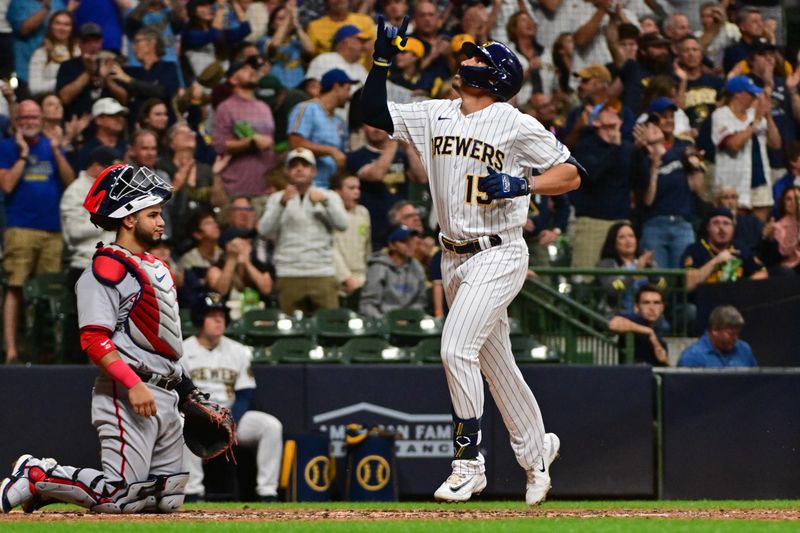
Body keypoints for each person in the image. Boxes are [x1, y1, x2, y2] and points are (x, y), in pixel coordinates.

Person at [360, 17, 583, 505]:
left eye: (479, 57)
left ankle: (468, 462)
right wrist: (381, 60)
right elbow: (370, 110)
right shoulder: (436, 112)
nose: (467, 60)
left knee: (454, 348)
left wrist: (523, 184)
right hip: (451, 256)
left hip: (498, 252)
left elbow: (570, 174)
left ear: (497, 77)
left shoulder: (515, 121)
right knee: (497, 365)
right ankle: (536, 453)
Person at [0, 163, 212, 513]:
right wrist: (132, 384)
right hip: (127, 391)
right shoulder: (105, 267)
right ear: (129, 219)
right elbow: (94, 340)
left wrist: (187, 390)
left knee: (167, 499)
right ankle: (38, 473)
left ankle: (53, 488)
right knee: (119, 497)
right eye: (154, 214)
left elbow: (167, 342)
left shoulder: (157, 268)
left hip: (165, 393)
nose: (161, 222)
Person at [181, 292, 283, 502]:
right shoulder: (183, 350)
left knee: (271, 426)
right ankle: (192, 491)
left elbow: (244, 394)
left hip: (230, 415)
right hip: (196, 416)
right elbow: (180, 391)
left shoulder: (238, 350)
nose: (220, 320)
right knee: (180, 424)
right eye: (212, 315)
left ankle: (267, 492)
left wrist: (230, 422)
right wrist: (202, 417)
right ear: (200, 319)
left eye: (222, 315)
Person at [0, 99, 75, 364]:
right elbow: (7, 185)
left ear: (41, 119)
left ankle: (45, 350)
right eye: (24, 118)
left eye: (34, 117)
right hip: (20, 227)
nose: (29, 122)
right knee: (16, 287)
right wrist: (22, 155)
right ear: (17, 121)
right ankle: (11, 349)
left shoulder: (50, 145)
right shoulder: (7, 147)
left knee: (47, 292)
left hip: (52, 229)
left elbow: (69, 181)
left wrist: (56, 151)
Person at [258, 147, 348, 315]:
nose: (299, 169)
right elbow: (264, 230)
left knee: (327, 328)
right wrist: (281, 205)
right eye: (294, 165)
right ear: (287, 171)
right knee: (290, 332)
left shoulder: (329, 196)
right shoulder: (276, 199)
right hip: (289, 273)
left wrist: (326, 203)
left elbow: (343, 224)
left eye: (304, 165)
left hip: (322, 272)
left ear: (313, 171)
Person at [711, 75, 780, 222]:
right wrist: (755, 121)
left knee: (758, 231)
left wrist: (768, 116)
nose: (754, 97)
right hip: (734, 183)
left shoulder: (755, 114)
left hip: (760, 179)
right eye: (750, 93)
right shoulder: (721, 115)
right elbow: (733, 145)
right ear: (737, 94)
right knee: (734, 228)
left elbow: (776, 144)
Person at [211, 54, 276, 197]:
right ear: (233, 79)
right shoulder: (226, 108)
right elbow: (220, 145)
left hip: (265, 188)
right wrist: (250, 142)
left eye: (253, 68)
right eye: (245, 69)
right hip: (237, 188)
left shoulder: (264, 107)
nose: (252, 71)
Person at [60, 146, 119, 288]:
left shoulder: (110, 189)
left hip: (113, 262)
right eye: (111, 169)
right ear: (97, 167)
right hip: (85, 265)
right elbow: (74, 232)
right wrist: (106, 222)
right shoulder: (76, 191)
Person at [287, 68, 356, 188]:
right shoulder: (307, 108)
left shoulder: (339, 121)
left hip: (331, 187)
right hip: (308, 186)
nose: (349, 96)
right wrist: (330, 151)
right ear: (336, 87)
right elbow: (295, 143)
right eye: (347, 89)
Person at [682, 207, 768, 293]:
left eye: (726, 223)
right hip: (701, 302)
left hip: (734, 301)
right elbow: (688, 285)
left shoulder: (739, 249)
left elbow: (763, 273)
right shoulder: (695, 250)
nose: (721, 228)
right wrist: (716, 261)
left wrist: (743, 288)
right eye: (716, 223)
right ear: (708, 227)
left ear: (733, 228)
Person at [596, 221, 666, 316]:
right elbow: (612, 289)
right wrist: (635, 273)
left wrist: (651, 270)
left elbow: (663, 287)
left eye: (631, 236)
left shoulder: (648, 263)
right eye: (622, 237)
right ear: (613, 242)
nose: (628, 241)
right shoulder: (606, 264)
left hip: (648, 316)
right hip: (618, 315)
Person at [358, 224, 427, 318]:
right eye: (404, 241)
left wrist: (410, 318)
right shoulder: (379, 267)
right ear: (392, 245)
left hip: (411, 323)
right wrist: (385, 322)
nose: (410, 244)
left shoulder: (417, 267)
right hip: (383, 324)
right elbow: (368, 304)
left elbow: (420, 301)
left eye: (411, 240)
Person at [608, 284, 668, 366]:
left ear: (662, 308)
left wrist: (665, 361)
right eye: (646, 303)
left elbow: (666, 371)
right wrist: (647, 331)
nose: (652, 308)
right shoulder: (633, 319)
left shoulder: (660, 340)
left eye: (656, 303)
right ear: (636, 307)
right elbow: (613, 324)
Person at [678, 305, 757, 367]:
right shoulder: (692, 357)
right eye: (731, 334)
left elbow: (755, 382)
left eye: (737, 334)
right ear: (715, 330)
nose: (735, 338)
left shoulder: (744, 349)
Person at [331, 173, 370, 296]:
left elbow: (367, 247)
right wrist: (346, 278)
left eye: (358, 188)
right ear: (336, 192)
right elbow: (331, 250)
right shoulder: (329, 214)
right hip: (336, 279)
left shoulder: (363, 212)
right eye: (351, 188)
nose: (357, 192)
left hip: (361, 277)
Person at [28, 9, 79, 97]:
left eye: (67, 24)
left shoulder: (78, 52)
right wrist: (63, 82)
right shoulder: (40, 53)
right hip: (49, 101)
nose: (62, 28)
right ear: (51, 26)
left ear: (72, 28)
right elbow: (34, 88)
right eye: (58, 23)